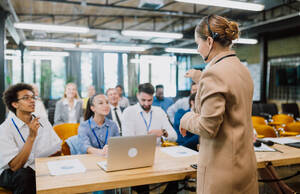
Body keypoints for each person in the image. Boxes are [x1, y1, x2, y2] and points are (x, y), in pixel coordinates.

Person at [180, 15, 258, 194]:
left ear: (209, 41)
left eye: (197, 43)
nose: (198, 49)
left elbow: (208, 127)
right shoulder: (242, 69)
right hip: (243, 165)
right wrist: (201, 79)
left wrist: (185, 119)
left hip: (222, 173)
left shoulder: (213, 74)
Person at [0, 83, 61, 194]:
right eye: (26, 98)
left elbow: (57, 149)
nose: (32, 100)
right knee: (25, 175)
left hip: (38, 167)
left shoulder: (43, 121)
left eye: (33, 97)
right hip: (10, 172)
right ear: (15, 104)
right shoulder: (5, 128)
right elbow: (15, 166)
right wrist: (31, 137)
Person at [122, 83, 177, 194]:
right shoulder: (129, 112)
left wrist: (163, 132)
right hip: (137, 156)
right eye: (143, 100)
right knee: (143, 184)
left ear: (153, 97)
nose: (146, 104)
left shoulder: (159, 111)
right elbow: (127, 141)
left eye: (150, 100)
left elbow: (174, 136)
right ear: (137, 95)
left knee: (177, 176)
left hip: (159, 156)